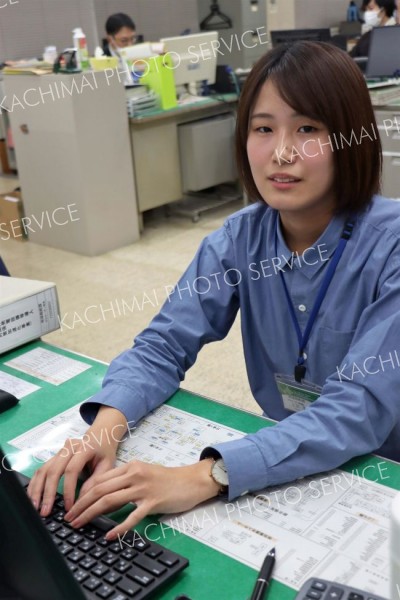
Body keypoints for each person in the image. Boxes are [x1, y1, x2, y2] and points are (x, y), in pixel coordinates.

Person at [28, 41, 400, 542]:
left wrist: (208, 475)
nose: (282, 152)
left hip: (380, 469)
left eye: (308, 128)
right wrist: (104, 429)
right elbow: (164, 344)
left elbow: (359, 407)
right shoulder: (238, 239)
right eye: (263, 128)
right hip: (281, 455)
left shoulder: (391, 246)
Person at [102, 13, 137, 85]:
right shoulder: (101, 60)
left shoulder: (140, 53)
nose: (130, 45)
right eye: (124, 41)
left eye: (132, 39)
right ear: (110, 39)